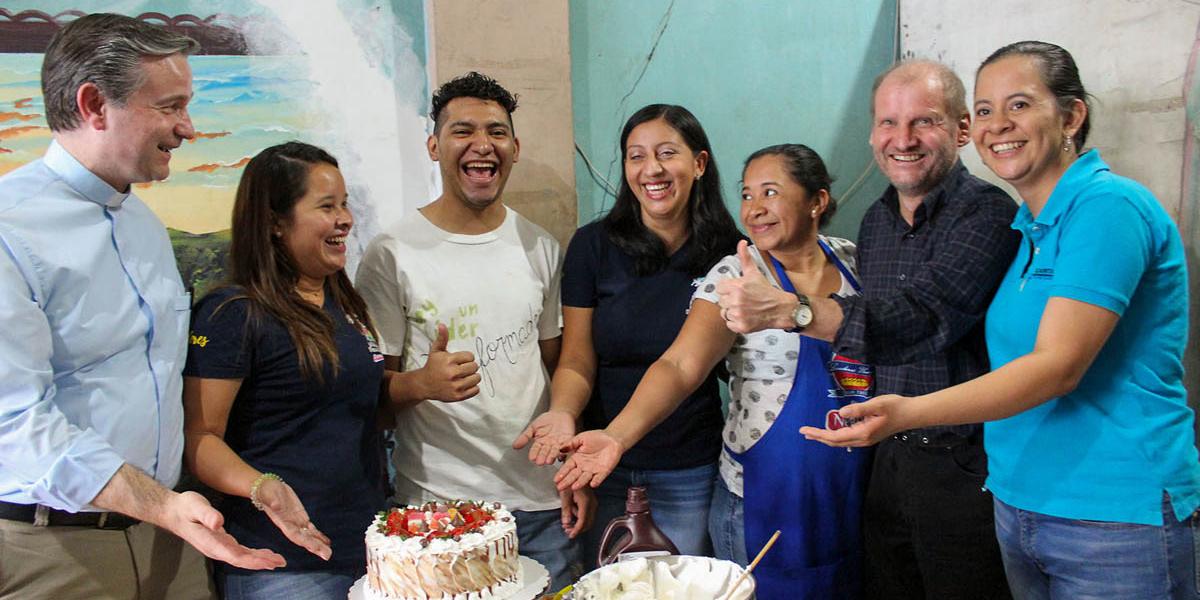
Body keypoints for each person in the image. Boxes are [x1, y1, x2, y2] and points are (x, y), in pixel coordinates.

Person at [805, 40, 1200, 600]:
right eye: (987, 109)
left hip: (1113, 513)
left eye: (1019, 105)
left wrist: (906, 412)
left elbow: (1055, 368)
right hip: (1020, 502)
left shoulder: (1108, 207)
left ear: (1072, 114)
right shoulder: (1028, 231)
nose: (998, 125)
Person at [0, 13, 284, 600]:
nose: (188, 127)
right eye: (170, 106)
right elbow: (14, 425)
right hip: (55, 553)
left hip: (172, 543)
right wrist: (163, 505)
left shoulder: (146, 227)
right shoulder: (10, 230)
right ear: (94, 104)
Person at [717, 60, 1018, 600]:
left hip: (960, 463)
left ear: (962, 129)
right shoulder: (877, 221)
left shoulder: (987, 213)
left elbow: (927, 317)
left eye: (923, 121)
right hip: (879, 461)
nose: (902, 139)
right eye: (887, 123)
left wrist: (795, 312)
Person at [557, 144, 870, 598]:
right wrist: (617, 435)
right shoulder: (735, 276)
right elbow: (680, 365)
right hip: (757, 498)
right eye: (746, 195)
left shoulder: (856, 262)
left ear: (816, 202)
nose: (754, 209)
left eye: (770, 192)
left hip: (844, 491)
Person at [355, 71, 588, 592]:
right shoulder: (391, 253)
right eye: (463, 131)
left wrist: (570, 465)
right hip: (439, 513)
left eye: (496, 132)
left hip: (543, 506)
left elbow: (559, 366)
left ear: (515, 146)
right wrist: (420, 384)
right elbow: (370, 398)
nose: (482, 145)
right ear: (434, 146)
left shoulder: (540, 247)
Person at [513, 104, 741, 563]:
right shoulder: (592, 246)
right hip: (600, 463)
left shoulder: (730, 254)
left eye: (666, 153)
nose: (650, 169)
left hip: (687, 467)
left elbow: (687, 365)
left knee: (685, 589)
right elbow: (577, 359)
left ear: (699, 164)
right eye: (635, 156)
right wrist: (562, 413)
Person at [184, 142, 390, 599]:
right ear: (276, 222)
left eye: (345, 204)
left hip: (367, 551)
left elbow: (354, 409)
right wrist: (263, 487)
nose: (345, 220)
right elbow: (199, 438)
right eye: (326, 206)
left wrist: (425, 385)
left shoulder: (342, 301)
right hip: (282, 564)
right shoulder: (233, 313)